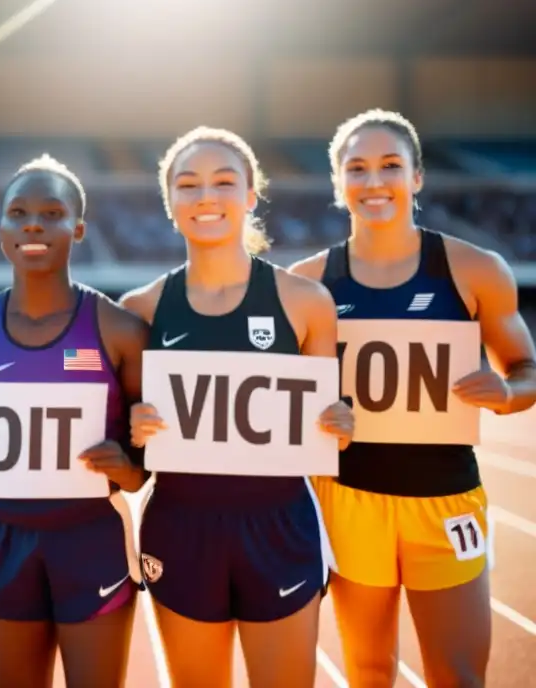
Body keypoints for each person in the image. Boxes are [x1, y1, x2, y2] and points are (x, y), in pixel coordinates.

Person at [289, 109, 536, 687]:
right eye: (357, 169)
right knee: (370, 672)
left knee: (457, 675)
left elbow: (527, 369)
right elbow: (285, 401)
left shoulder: (475, 270)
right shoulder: (307, 282)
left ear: (417, 177)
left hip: (444, 499)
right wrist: (315, 417)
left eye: (390, 166)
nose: (374, 183)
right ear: (337, 183)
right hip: (350, 498)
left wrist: (504, 394)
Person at [119, 127, 354, 687]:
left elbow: (328, 419)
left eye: (225, 182)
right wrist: (134, 425)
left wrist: (340, 422)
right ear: (169, 200)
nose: (207, 196)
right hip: (181, 526)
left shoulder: (305, 302)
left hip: (280, 525)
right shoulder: (141, 310)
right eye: (188, 184)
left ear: (251, 194)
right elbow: (128, 450)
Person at [0, 155, 149, 688]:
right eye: (18, 212)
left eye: (52, 212)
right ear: (2, 228)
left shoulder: (121, 330)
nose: (33, 223)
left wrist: (126, 469)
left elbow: (149, 459)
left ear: (78, 228)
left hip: (89, 538)